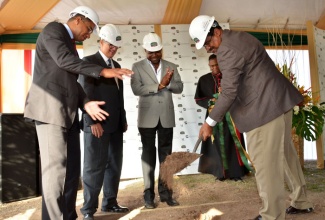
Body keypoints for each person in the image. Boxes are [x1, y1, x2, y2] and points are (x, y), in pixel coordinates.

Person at [189, 15, 313, 220]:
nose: (208, 48)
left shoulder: (226, 51)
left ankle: (272, 215)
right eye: (204, 45)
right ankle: (301, 201)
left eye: (208, 42)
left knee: (266, 167)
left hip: (263, 112)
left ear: (217, 31)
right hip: (280, 103)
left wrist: (209, 122)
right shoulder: (240, 36)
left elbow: (229, 92)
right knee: (286, 156)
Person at [24, 6, 133, 220]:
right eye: (89, 28)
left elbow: (73, 83)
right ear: (77, 20)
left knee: (72, 174)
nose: (89, 34)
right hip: (50, 113)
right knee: (55, 176)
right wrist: (103, 71)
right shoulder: (53, 30)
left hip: (69, 116)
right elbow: (65, 61)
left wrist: (87, 103)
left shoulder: (71, 45)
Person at [78, 24, 129, 220]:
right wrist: (91, 121)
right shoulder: (89, 62)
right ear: (101, 42)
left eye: (116, 46)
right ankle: (88, 211)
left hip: (115, 125)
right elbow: (85, 94)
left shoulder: (116, 66)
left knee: (114, 165)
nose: (113, 49)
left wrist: (122, 119)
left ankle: (110, 202)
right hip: (97, 125)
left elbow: (119, 97)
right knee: (93, 167)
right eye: (110, 45)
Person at [130, 32, 183, 209]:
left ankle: (166, 193)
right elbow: (137, 89)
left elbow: (180, 87)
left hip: (166, 117)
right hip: (147, 118)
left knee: (166, 157)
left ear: (161, 49)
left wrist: (167, 84)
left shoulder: (172, 66)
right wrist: (159, 86)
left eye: (157, 51)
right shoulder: (137, 67)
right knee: (148, 155)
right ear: (145, 50)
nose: (154, 55)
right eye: (151, 52)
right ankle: (148, 195)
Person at [195, 54, 248, 181]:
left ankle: (236, 173)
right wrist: (212, 101)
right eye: (211, 66)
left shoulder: (231, 77)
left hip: (232, 116)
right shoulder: (204, 79)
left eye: (216, 65)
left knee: (233, 143)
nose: (213, 68)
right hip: (213, 117)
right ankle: (220, 173)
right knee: (216, 144)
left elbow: (242, 94)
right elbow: (198, 99)